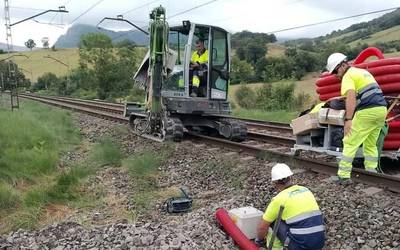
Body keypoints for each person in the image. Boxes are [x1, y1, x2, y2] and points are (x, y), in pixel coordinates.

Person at [326, 53, 387, 185]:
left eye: (335, 71)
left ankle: (343, 176)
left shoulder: (348, 76)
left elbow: (351, 97)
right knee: (370, 144)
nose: (335, 75)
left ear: (341, 66)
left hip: (367, 111)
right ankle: (371, 172)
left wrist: (348, 120)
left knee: (349, 141)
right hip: (381, 110)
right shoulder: (361, 72)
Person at [255, 163, 325, 250]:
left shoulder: (279, 199)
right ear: (291, 177)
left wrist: (259, 240)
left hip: (300, 247)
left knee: (273, 222)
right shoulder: (306, 190)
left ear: (275, 182)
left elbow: (262, 227)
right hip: (319, 243)